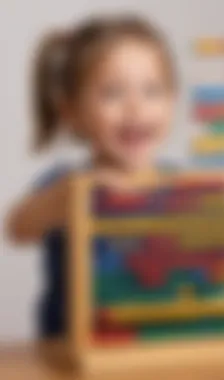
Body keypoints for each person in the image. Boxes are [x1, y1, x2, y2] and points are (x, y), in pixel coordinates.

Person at [6, 14, 179, 339]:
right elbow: (17, 227)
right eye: (112, 93)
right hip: (74, 356)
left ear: (173, 101)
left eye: (152, 91)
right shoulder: (70, 184)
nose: (135, 107)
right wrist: (63, 201)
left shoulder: (181, 189)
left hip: (158, 349)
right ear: (72, 113)